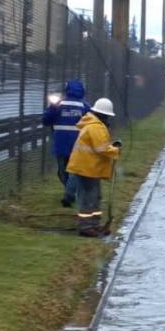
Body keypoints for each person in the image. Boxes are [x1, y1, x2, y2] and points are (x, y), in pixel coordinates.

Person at [67, 98, 121, 237]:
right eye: (107, 115)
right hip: (87, 168)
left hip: (89, 167)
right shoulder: (95, 127)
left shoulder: (93, 124)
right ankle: (86, 227)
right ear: (103, 114)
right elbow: (101, 148)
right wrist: (115, 150)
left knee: (95, 196)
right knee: (88, 197)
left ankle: (94, 224)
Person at [42, 79, 90, 207]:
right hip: (79, 146)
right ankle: (73, 193)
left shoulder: (58, 104)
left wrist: (52, 107)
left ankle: (70, 194)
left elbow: (46, 121)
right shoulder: (84, 106)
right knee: (75, 171)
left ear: (66, 90)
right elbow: (92, 122)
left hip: (61, 145)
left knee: (63, 172)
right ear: (82, 91)